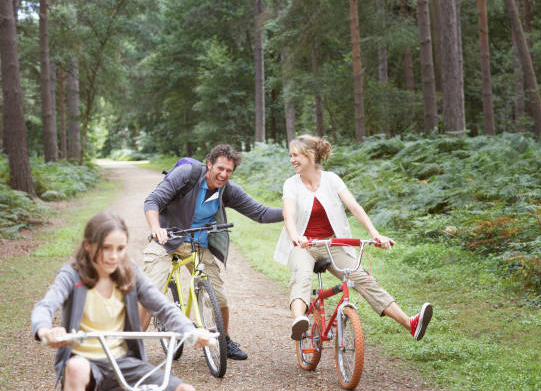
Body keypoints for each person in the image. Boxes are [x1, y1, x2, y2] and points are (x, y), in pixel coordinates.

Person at [274, 134, 433, 341]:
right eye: (291, 155)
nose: (292, 160)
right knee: (302, 277)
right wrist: (296, 237)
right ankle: (299, 320)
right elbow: (289, 214)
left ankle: (410, 324)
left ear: (311, 156)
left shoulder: (331, 179)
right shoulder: (291, 184)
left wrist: (375, 234)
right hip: (303, 245)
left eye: (296, 155)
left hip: (332, 243)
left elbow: (355, 207)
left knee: (363, 279)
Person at [32, 211, 212, 391]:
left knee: (184, 389)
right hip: (85, 363)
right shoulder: (72, 275)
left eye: (120, 249)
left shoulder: (129, 273)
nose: (113, 256)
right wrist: (45, 330)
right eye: (106, 248)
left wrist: (189, 330)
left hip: (123, 363)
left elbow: (163, 307)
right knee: (76, 368)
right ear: (88, 245)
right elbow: (46, 305)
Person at [141, 144, 283, 360]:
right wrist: (156, 228)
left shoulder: (228, 190)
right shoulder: (186, 175)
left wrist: (291, 211)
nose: (224, 174)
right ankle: (132, 349)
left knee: (219, 297)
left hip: (198, 244)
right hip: (166, 239)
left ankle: (224, 340)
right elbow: (153, 201)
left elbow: (260, 213)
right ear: (209, 164)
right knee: (151, 292)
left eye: (229, 171)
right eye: (220, 168)